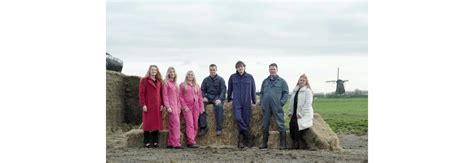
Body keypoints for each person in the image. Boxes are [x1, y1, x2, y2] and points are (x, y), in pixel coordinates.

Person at [259, 63, 289, 150]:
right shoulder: (265, 81)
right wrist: (262, 101)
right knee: (265, 124)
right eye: (271, 69)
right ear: (269, 70)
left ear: (277, 70)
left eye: (274, 69)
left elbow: (286, 93)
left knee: (280, 123)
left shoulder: (282, 81)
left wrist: (281, 102)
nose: (272, 70)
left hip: (277, 105)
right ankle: (264, 143)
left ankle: (283, 144)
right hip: (266, 106)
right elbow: (261, 93)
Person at [227, 60, 256, 148]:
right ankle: (248, 134)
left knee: (246, 120)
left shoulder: (250, 77)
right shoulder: (232, 77)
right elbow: (230, 89)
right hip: (237, 101)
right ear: (236, 68)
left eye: (242, 66)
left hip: (247, 101)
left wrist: (254, 101)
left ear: (244, 67)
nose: (240, 68)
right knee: (238, 118)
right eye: (238, 67)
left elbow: (253, 89)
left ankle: (242, 141)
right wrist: (229, 99)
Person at [139, 65, 164, 148]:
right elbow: (142, 94)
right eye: (152, 69)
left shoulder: (159, 81)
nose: (153, 71)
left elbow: (161, 94)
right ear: (149, 71)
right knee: (147, 124)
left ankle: (155, 142)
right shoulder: (144, 80)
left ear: (157, 71)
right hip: (148, 105)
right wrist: (143, 104)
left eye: (155, 70)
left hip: (157, 106)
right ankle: (146, 142)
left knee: (156, 124)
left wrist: (162, 104)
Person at [287, 74, 314, 149]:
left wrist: (301, 114)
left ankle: (296, 144)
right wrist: (290, 112)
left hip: (304, 114)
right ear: (298, 81)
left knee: (297, 127)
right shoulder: (295, 90)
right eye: (300, 80)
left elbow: (308, 104)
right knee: (291, 126)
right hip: (295, 112)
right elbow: (291, 102)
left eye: (303, 80)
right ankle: (294, 142)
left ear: (306, 82)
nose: (301, 81)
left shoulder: (308, 91)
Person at [199, 64, 227, 136]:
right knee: (201, 106)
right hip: (208, 97)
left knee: (219, 107)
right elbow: (202, 90)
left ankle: (218, 129)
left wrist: (220, 99)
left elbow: (223, 91)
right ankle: (203, 127)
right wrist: (203, 96)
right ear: (209, 70)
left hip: (217, 97)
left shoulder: (221, 79)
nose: (212, 71)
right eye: (211, 70)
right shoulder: (205, 80)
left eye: (213, 70)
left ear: (216, 70)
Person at [179, 70, 204, 148]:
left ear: (193, 76)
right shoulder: (182, 85)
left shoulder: (197, 85)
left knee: (195, 124)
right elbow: (180, 97)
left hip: (196, 107)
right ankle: (190, 142)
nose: (190, 76)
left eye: (192, 74)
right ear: (186, 76)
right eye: (189, 74)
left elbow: (200, 97)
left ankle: (192, 140)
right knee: (190, 123)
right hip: (187, 107)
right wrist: (184, 106)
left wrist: (201, 108)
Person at [162, 67, 182, 149]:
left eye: (173, 72)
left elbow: (178, 97)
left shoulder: (175, 84)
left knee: (172, 125)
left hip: (176, 107)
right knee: (176, 124)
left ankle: (170, 143)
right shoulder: (166, 83)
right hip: (171, 107)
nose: (172, 73)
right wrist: (168, 106)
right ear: (168, 73)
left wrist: (179, 107)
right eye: (170, 72)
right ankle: (176, 143)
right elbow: (165, 96)